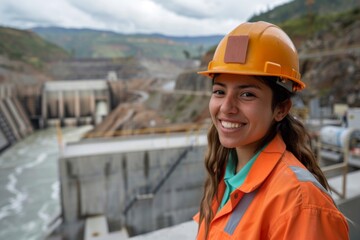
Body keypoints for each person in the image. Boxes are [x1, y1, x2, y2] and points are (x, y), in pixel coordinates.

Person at [193, 21, 349, 239]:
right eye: (219, 91)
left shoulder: (301, 204)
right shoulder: (226, 177)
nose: (226, 107)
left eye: (247, 94)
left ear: (281, 108)